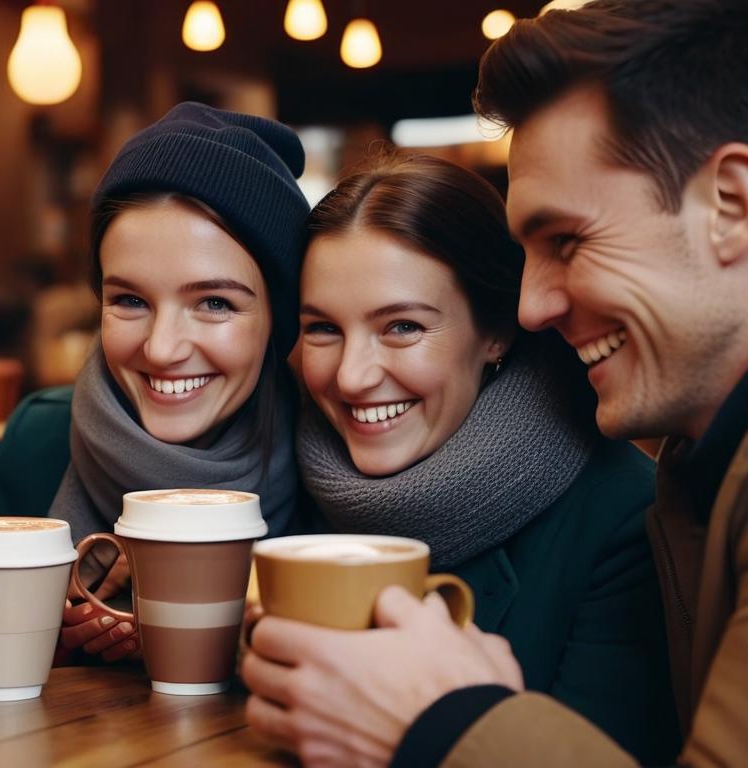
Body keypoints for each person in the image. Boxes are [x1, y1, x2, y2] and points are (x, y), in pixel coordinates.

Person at [240, 1, 748, 765]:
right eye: (322, 326)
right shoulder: (710, 455)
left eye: (567, 240)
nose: (534, 304)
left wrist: (447, 718)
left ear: (733, 205)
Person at [288, 149, 678, 763]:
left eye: (402, 327)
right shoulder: (280, 482)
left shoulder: (623, 519)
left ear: (496, 331)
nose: (353, 376)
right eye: (322, 329)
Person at [0, 102, 311, 663]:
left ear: (280, 317)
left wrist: (209, 607)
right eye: (130, 300)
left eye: (213, 303)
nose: (161, 348)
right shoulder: (37, 441)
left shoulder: (330, 462)